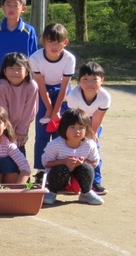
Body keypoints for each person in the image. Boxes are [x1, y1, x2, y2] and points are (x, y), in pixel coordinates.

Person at [29, 23, 75, 185]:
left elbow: (64, 87)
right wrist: (49, 110)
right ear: (43, 41)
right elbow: (41, 86)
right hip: (43, 92)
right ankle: (41, 171)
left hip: (62, 92)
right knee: (42, 133)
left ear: (65, 42)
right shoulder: (35, 58)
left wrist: (56, 112)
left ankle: (59, 171)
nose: (54, 46)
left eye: (58, 42)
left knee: (60, 133)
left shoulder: (69, 59)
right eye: (50, 42)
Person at [63, 62, 111, 195]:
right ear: (78, 81)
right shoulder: (73, 96)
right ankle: (66, 180)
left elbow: (98, 116)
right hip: (75, 120)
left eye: (94, 79)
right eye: (85, 79)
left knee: (94, 149)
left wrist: (92, 133)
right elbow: (74, 118)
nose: (90, 83)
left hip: (93, 122)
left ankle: (95, 182)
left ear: (102, 80)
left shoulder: (105, 96)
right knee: (70, 148)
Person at [41, 108, 104, 206]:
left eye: (81, 127)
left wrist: (83, 162)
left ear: (87, 129)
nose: (77, 131)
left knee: (87, 168)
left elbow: (94, 163)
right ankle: (52, 192)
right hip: (59, 175)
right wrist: (64, 161)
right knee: (60, 169)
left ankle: (86, 193)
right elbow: (46, 163)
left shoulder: (90, 144)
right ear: (64, 128)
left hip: (78, 175)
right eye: (72, 127)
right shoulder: (55, 144)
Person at [0, 52, 38, 156]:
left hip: (22, 127)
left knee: (19, 150)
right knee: (3, 152)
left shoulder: (31, 86)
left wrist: (20, 131)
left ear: (26, 72)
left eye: (19, 69)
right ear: (4, 71)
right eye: (11, 68)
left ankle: (21, 171)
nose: (15, 72)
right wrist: (8, 130)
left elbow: (30, 111)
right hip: (4, 125)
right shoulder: (1, 86)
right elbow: (1, 111)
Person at [0, 0, 38, 68]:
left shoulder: (29, 31)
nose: (11, 9)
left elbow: (34, 56)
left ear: (23, 9)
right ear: (3, 7)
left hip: (22, 75)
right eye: (8, 5)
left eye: (15, 5)